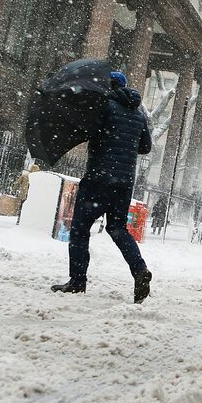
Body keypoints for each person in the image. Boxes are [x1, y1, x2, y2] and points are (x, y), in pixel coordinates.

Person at [51, 71, 154, 303]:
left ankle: (77, 281)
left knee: (80, 229)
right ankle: (139, 270)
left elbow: (90, 131)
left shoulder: (104, 106)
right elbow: (145, 147)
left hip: (99, 178)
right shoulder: (138, 114)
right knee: (118, 229)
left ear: (109, 87)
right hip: (124, 183)